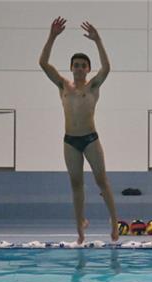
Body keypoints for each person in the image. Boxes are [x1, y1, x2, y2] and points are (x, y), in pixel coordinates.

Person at [39, 17, 119, 244]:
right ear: (71, 68)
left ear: (88, 69)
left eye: (83, 65)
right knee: (75, 184)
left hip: (90, 139)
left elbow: (107, 68)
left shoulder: (93, 85)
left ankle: (114, 221)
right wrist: (52, 36)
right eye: (76, 65)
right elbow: (43, 63)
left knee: (101, 181)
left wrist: (98, 40)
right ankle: (80, 226)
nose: (80, 68)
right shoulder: (63, 85)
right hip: (70, 141)